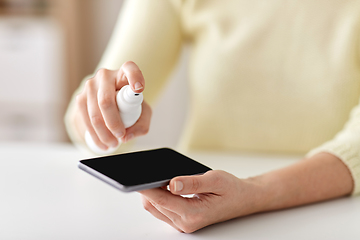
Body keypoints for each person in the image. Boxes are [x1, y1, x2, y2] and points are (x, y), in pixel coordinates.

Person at [64, 0, 360, 233]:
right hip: (197, 203)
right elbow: (87, 116)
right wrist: (99, 115)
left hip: (335, 211)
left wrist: (256, 193)